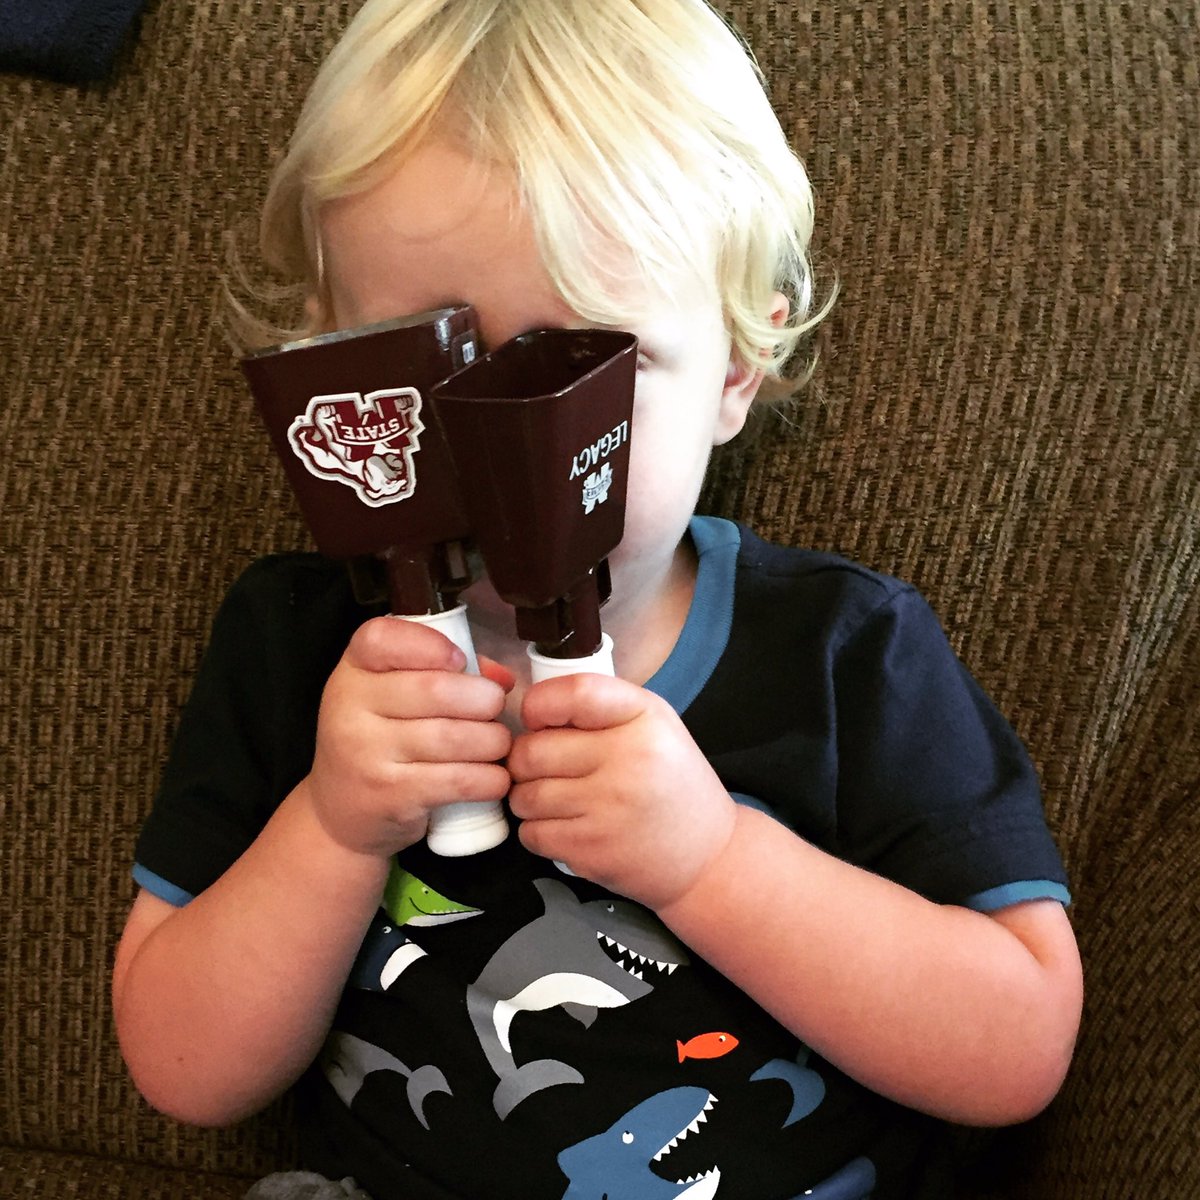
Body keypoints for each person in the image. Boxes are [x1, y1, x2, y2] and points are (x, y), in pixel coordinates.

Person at [112, 2, 1084, 1197]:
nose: (498, 463)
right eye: (428, 368)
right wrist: (329, 826)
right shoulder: (297, 641)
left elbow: (1019, 1047)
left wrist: (712, 860)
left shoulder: (844, 651)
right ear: (327, 364)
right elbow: (180, 1067)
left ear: (734, 367)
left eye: (586, 375)